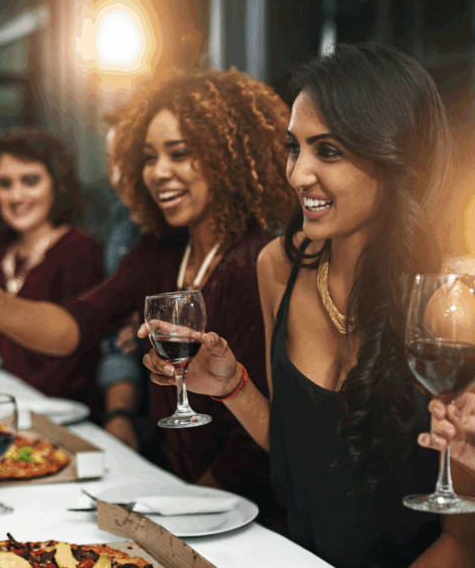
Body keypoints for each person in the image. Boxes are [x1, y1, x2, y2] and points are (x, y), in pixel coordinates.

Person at [143, 44, 475, 567]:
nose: (298, 175)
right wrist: (230, 387)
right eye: (294, 148)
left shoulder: (447, 309)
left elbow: (460, 542)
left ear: (394, 158)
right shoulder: (279, 267)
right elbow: (302, 460)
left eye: (329, 151)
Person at [0, 68, 296, 525]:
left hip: (244, 516)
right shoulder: (159, 250)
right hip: (178, 490)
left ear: (228, 158)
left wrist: (185, 511)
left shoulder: (255, 261)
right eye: (148, 157)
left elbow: (260, 433)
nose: (158, 172)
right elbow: (78, 324)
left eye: (179, 153)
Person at [0, 131, 105, 417]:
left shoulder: (81, 249)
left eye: (30, 181)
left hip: (68, 413)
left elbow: (76, 358)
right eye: (5, 184)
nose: (16, 195)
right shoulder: (1, 247)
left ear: (57, 185)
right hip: (15, 403)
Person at [97, 109, 149, 451]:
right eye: (112, 162)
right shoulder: (123, 232)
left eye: (129, 161)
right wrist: (118, 415)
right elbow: (116, 340)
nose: (117, 177)